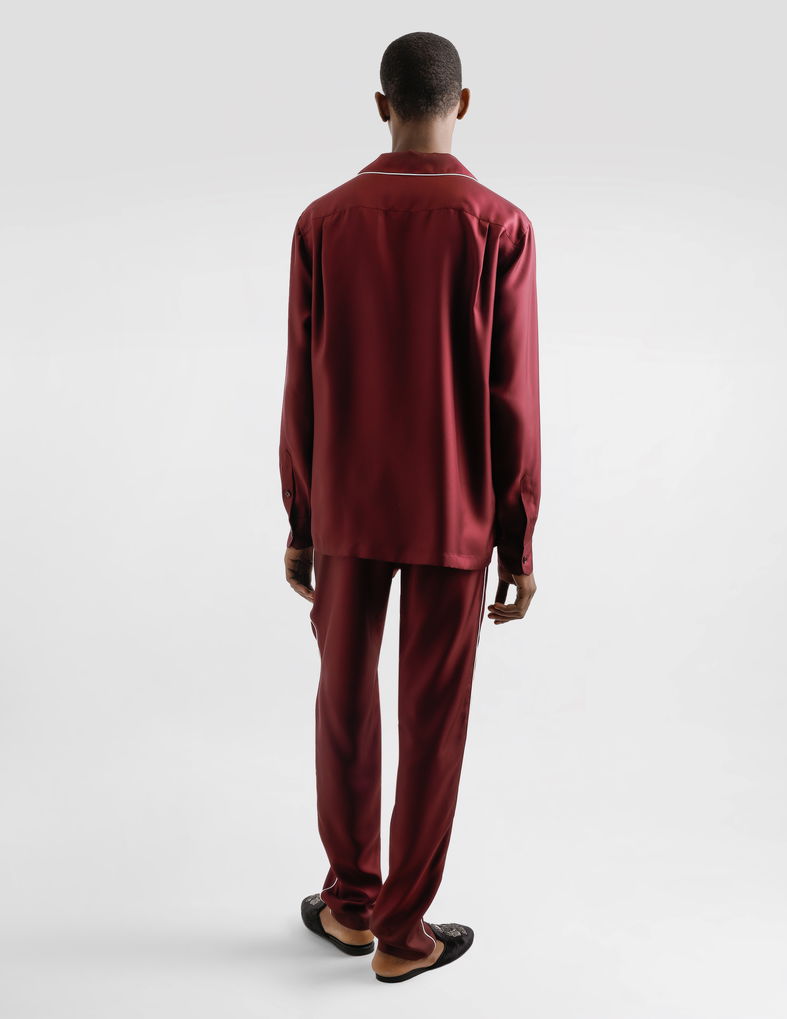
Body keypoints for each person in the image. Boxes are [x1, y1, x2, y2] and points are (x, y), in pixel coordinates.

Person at [281, 30, 541, 983]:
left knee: (344, 704)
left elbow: (301, 384)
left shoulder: (323, 221)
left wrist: (301, 518)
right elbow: (513, 395)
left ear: (381, 105)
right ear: (461, 103)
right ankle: (403, 933)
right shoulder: (499, 224)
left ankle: (350, 903)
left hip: (348, 507)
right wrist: (518, 539)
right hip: (454, 512)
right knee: (434, 720)